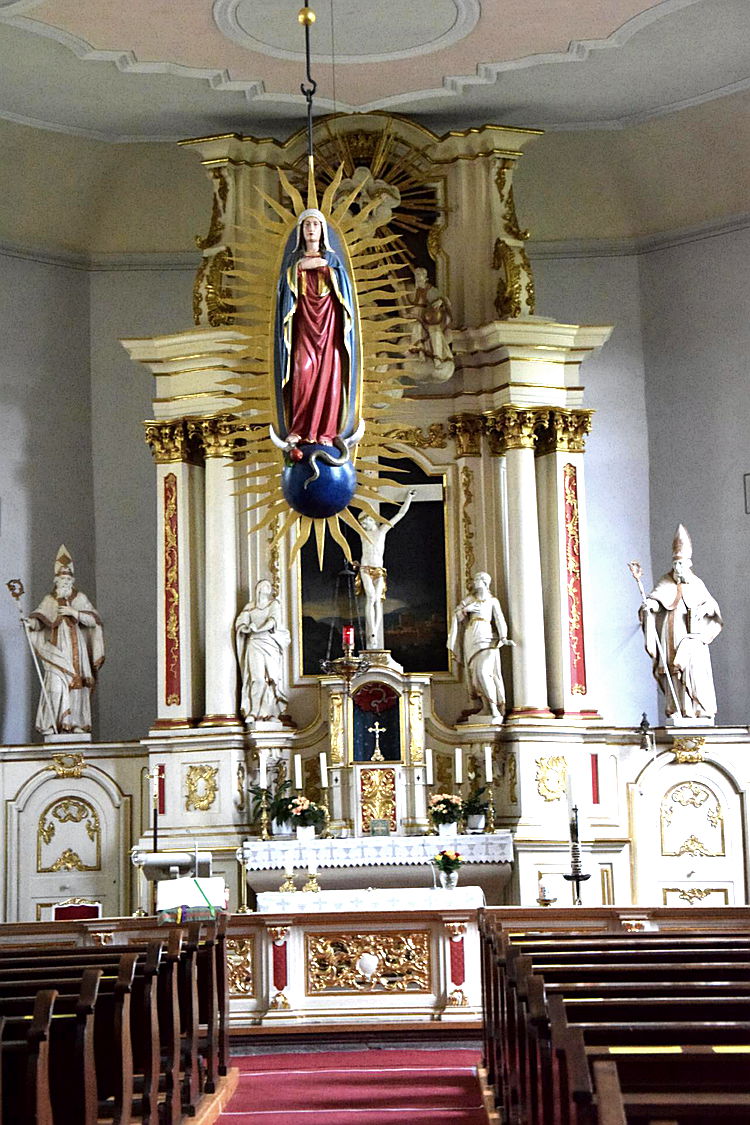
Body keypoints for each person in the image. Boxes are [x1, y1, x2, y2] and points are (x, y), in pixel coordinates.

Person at [275, 208, 357, 446]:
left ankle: (326, 432)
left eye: (315, 224)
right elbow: (283, 292)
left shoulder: (333, 260)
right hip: (304, 328)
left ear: (322, 231)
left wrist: (323, 268)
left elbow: (345, 292)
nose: (311, 229)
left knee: (330, 378)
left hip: (329, 329)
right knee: (302, 372)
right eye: (307, 225)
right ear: (301, 231)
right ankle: (299, 428)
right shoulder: (293, 262)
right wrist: (301, 268)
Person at [639, 524, 722, 721]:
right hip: (671, 633)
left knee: (694, 671)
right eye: (675, 564)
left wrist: (705, 610)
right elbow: (656, 599)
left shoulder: (697, 584)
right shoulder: (666, 581)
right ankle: (676, 708)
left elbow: (713, 611)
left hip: (692, 638)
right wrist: (650, 606)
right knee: (672, 670)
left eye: (681, 564)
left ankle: (698, 708)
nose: (677, 568)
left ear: (689, 564)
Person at [24, 545, 105, 736]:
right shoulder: (50, 600)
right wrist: (30, 623)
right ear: (56, 581)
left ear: (72, 581)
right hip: (57, 649)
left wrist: (74, 612)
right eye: (62, 579)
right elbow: (40, 620)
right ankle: (53, 723)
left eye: (68, 579)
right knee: (55, 685)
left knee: (78, 685)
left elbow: (93, 621)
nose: (65, 582)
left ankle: (76, 723)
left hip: (77, 650)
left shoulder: (80, 598)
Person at [354, 489, 416, 649]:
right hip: (365, 568)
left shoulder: (382, 531)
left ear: (371, 519)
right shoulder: (362, 534)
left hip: (379, 570)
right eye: (361, 524)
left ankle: (374, 630)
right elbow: (347, 520)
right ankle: (372, 633)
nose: (363, 526)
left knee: (378, 601)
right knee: (371, 598)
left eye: (364, 522)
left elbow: (400, 514)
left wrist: (408, 498)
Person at [448, 571, 512, 723]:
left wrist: (503, 637)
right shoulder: (470, 599)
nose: (474, 582)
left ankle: (494, 707)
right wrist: (466, 610)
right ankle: (486, 707)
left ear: (484, 582)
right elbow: (456, 615)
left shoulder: (492, 601)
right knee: (475, 676)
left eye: (477, 579)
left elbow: (499, 619)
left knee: (484, 672)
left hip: (487, 637)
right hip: (471, 636)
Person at [235, 579, 291, 723]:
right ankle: (254, 711)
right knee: (257, 679)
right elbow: (241, 623)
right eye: (264, 585)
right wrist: (246, 628)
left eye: (269, 586)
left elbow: (273, 621)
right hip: (254, 643)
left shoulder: (274, 604)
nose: (268, 587)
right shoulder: (250, 607)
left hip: (269, 643)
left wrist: (258, 629)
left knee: (271, 679)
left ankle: (269, 713)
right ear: (258, 589)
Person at [408, 266, 454, 383]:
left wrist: (441, 301)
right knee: (416, 327)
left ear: (426, 277)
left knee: (435, 332)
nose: (418, 277)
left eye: (420, 275)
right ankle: (420, 352)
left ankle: (437, 358)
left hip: (429, 318)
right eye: (416, 275)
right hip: (415, 318)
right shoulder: (411, 289)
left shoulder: (430, 290)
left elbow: (446, 300)